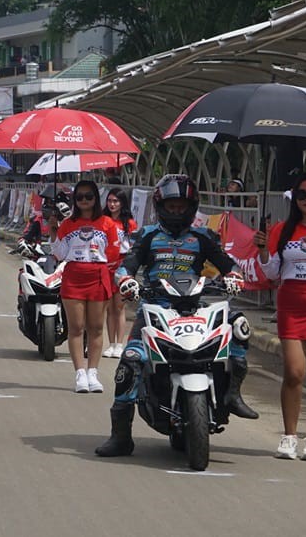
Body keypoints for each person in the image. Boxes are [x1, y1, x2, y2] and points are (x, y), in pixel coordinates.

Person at [96, 174, 256, 458]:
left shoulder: (203, 237)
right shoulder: (147, 235)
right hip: (154, 308)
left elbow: (228, 264)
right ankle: (120, 436)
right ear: (160, 206)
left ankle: (232, 393)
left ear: (192, 207)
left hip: (195, 306)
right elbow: (126, 266)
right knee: (130, 361)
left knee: (240, 325)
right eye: (171, 206)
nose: (176, 211)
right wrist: (126, 281)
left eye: (182, 206)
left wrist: (234, 277)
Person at [256, 171, 306, 461]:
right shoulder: (282, 230)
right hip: (292, 306)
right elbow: (272, 273)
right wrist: (263, 251)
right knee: (294, 372)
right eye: (302, 194)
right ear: (295, 198)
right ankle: (289, 436)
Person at [52, 180, 120, 393]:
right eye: (79, 197)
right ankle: (80, 373)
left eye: (88, 196)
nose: (84, 200)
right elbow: (59, 253)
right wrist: (53, 229)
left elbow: (114, 253)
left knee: (96, 328)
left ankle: (93, 372)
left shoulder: (107, 223)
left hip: (98, 276)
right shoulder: (67, 224)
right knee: (76, 327)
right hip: (73, 277)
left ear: (96, 198)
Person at [102, 188, 138, 358]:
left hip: (122, 268)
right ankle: (110, 344)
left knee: (120, 307)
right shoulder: (103, 220)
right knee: (109, 309)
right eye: (110, 201)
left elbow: (134, 247)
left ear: (122, 203)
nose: (112, 204)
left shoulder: (130, 223)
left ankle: (119, 344)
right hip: (105, 267)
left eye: (116, 201)